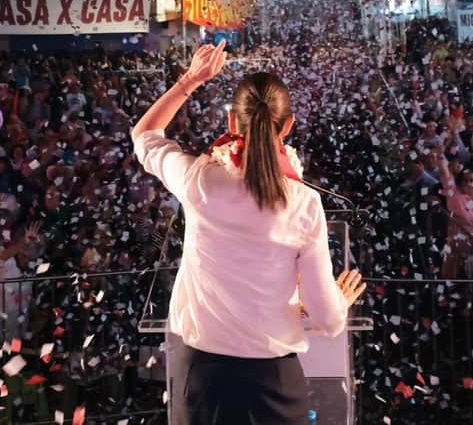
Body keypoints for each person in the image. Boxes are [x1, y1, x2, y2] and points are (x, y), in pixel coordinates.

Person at [131, 41, 365, 425]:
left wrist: (191, 80)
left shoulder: (198, 180)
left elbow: (144, 136)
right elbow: (326, 318)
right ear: (288, 126)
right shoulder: (302, 202)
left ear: (231, 124)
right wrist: (338, 301)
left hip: (202, 381)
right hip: (273, 386)